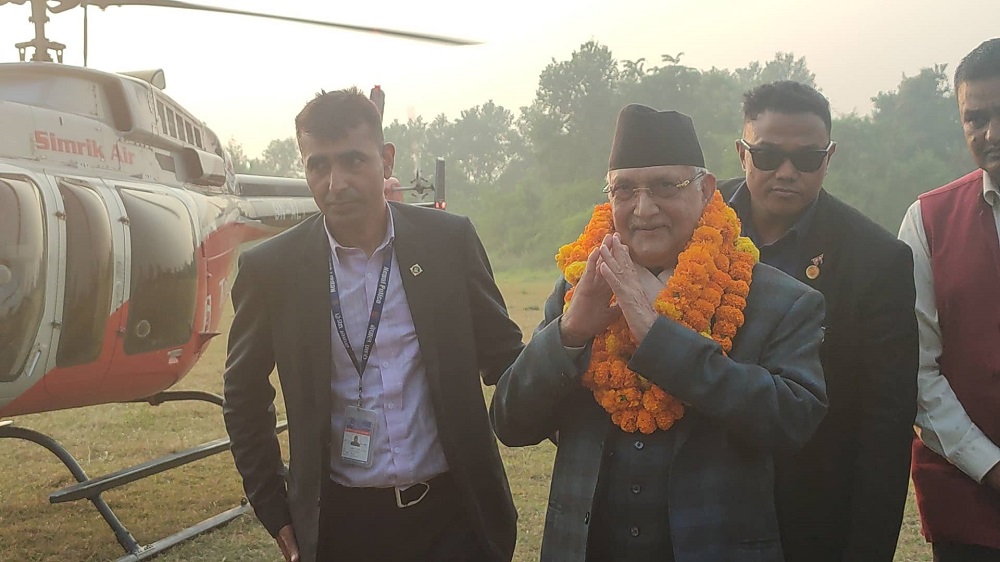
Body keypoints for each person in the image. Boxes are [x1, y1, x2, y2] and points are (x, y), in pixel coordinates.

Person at [491, 103, 827, 562]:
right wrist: (570, 332)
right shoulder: (580, 289)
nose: (644, 209)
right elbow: (511, 424)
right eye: (624, 190)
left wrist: (656, 335)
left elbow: (791, 423)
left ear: (707, 190)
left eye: (666, 186)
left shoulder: (778, 300)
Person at [222, 87, 524, 562]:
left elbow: (504, 356)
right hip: (343, 525)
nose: (334, 181)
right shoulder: (273, 269)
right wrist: (274, 506)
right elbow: (242, 392)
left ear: (385, 160)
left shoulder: (448, 243)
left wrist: (565, 388)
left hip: (455, 515)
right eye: (317, 165)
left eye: (352, 161)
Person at [717, 81, 918, 562]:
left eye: (806, 159)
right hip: (696, 504)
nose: (787, 173)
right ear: (741, 153)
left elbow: (885, 423)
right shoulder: (694, 222)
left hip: (807, 511)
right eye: (768, 156)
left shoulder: (876, 260)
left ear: (829, 157)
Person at [897, 38, 1000, 561]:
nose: (992, 134)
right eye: (976, 118)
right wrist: (990, 465)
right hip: (970, 502)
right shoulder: (928, 221)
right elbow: (917, 370)